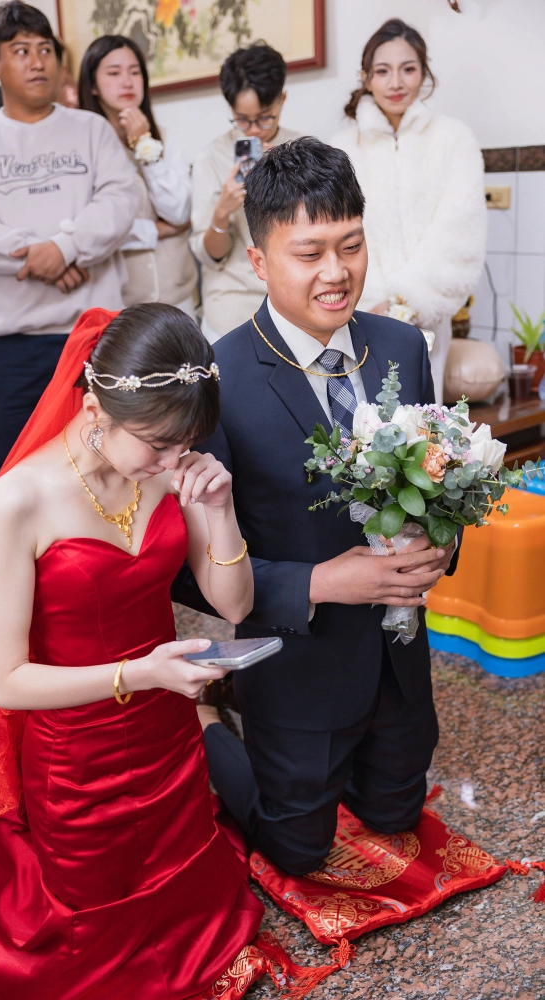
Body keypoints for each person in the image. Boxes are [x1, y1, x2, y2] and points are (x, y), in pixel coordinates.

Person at [0, 304, 264, 999]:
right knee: (86, 942)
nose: (173, 462)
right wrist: (141, 672)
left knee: (191, 904)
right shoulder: (16, 503)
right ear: (95, 410)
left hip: (168, 733)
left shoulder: (171, 464)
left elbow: (234, 606)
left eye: (186, 445)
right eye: (159, 446)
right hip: (77, 755)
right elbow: (6, 681)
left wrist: (220, 508)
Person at [173, 137, 459, 876]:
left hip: (399, 658)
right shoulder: (219, 379)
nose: (336, 273)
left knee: (395, 818)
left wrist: (442, 544)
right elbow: (186, 571)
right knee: (295, 851)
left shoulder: (402, 347)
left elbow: (437, 481)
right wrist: (323, 582)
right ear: (258, 261)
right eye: (309, 253)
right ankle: (209, 725)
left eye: (351, 246)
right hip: (295, 666)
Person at [0, 1, 137, 487]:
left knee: (109, 475)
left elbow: (120, 201)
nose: (37, 61)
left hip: (95, 341)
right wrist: (43, 254)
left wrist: (63, 248)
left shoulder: (91, 129)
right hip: (9, 353)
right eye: (20, 50)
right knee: (13, 482)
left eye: (45, 49)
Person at [329, 18, 486, 403]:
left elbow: (459, 232)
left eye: (408, 69)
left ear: (424, 74)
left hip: (426, 319)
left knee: (422, 422)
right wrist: (369, 305)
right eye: (383, 71)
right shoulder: (341, 147)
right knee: (361, 426)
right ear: (366, 77)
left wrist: (403, 304)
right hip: (356, 316)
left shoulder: (454, 139)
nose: (396, 83)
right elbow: (337, 234)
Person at [190, 42, 300, 343]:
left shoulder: (302, 150)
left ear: (282, 99)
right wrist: (222, 211)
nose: (253, 130)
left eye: (265, 118)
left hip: (293, 299)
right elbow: (211, 256)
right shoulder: (211, 158)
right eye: (242, 119)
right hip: (232, 306)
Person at [79, 36, 197, 315]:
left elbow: (180, 212)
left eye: (134, 72)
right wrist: (155, 230)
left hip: (179, 299)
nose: (127, 82)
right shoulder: (83, 149)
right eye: (114, 73)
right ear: (93, 85)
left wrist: (145, 146)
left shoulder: (166, 138)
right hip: (121, 307)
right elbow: (92, 229)